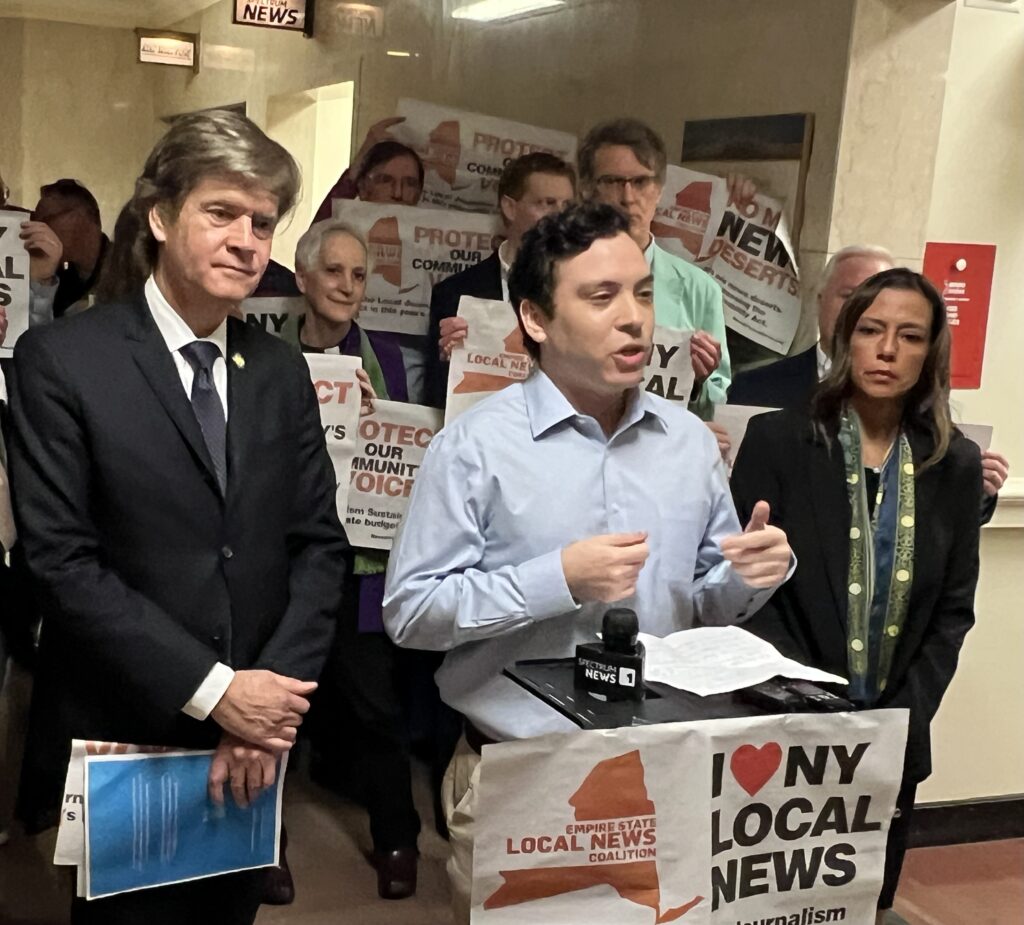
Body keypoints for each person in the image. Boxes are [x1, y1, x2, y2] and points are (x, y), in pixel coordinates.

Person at [383, 202, 794, 923]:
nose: (634, 317)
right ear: (537, 319)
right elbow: (412, 612)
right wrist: (557, 580)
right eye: (601, 296)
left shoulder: (689, 445)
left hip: (659, 772)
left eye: (641, 292)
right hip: (523, 774)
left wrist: (746, 579)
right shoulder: (474, 446)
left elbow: (702, 600)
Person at [8, 110, 348, 924]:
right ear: (160, 218)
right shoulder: (65, 360)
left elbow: (319, 549)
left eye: (262, 222)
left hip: (256, 739)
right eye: (221, 213)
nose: (246, 239)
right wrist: (217, 692)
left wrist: (266, 712)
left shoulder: (279, 372)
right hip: (126, 727)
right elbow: (61, 561)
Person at [729, 267, 981, 922]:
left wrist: (900, 717)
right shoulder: (779, 440)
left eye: (910, 335)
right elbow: (751, 599)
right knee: (765, 905)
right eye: (872, 329)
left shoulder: (954, 463)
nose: (888, 349)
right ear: (846, 338)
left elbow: (952, 612)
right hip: (783, 728)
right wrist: (809, 705)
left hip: (891, 739)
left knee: (862, 902)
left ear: (931, 351)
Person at [283, 219, 422, 899]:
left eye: (358, 273)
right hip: (279, 561)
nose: (346, 285)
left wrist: (380, 418)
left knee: (373, 707)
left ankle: (398, 839)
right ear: (304, 279)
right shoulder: (262, 353)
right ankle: (260, 849)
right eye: (333, 272)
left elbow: (420, 449)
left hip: (361, 560)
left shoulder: (389, 359)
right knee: (272, 706)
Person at [728, 245, 1009, 522]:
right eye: (852, 297)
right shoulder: (757, 394)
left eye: (910, 335)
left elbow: (944, 526)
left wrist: (977, 486)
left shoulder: (924, 409)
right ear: (820, 299)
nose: (887, 347)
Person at [578, 118, 730, 419]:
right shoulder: (559, 272)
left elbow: (719, 395)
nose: (628, 197)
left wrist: (700, 382)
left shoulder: (698, 289)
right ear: (586, 188)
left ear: (659, 190)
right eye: (612, 181)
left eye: (640, 182)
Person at [423, 151, 576, 407]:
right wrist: (451, 361)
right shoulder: (454, 293)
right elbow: (435, 399)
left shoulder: (586, 291)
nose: (559, 218)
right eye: (546, 203)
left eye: (567, 207)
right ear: (510, 207)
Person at [31, 178, 109, 317]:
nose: (37, 229)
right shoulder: (63, 275)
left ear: (78, 218)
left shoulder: (127, 272)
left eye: (45, 220)